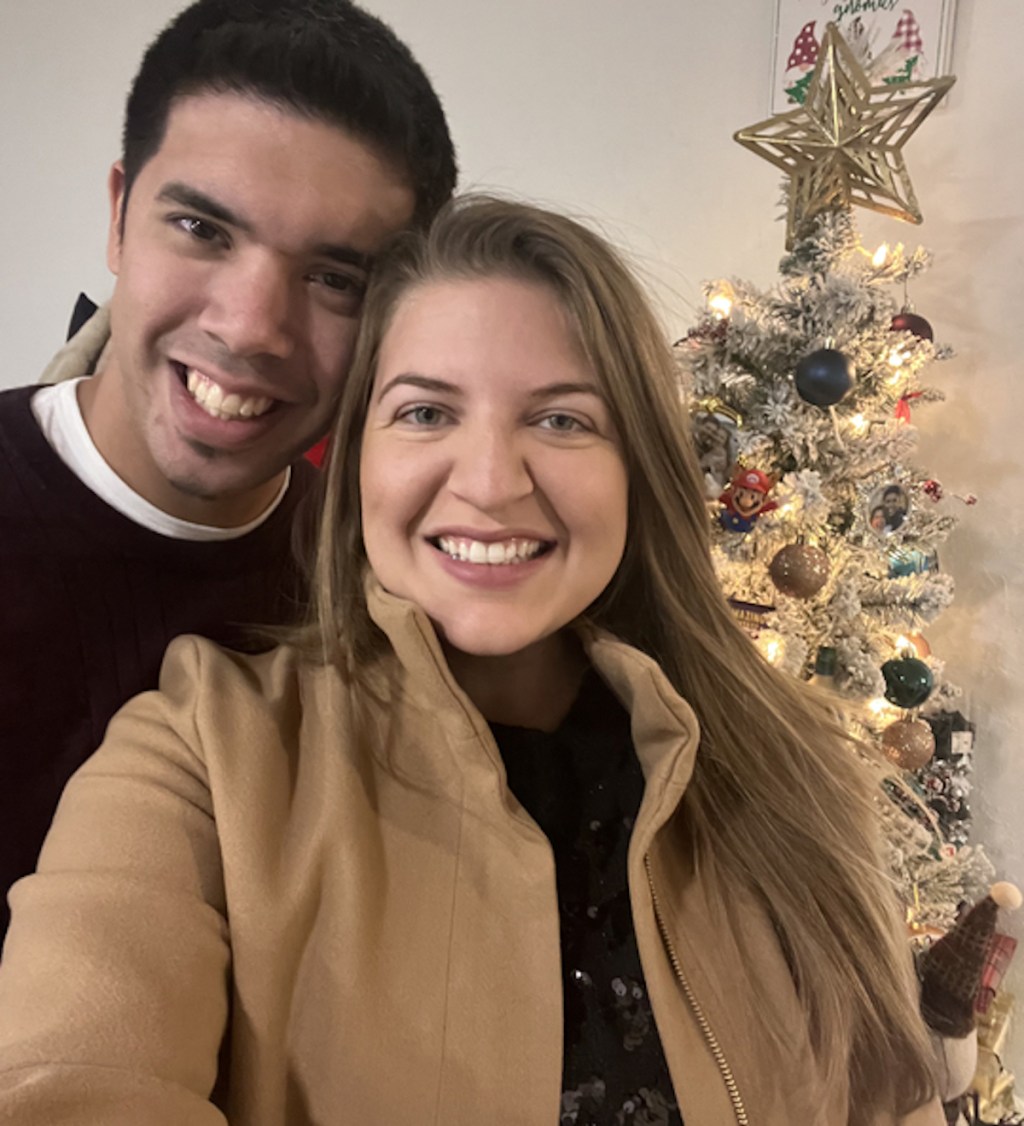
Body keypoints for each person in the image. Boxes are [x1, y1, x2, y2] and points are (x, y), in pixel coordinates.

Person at [0, 198, 941, 1125]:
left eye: (563, 421)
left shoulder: (799, 776)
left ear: (638, 467)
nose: (490, 482)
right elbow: (68, 1086)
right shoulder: (203, 752)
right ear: (356, 459)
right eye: (424, 412)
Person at [0, 0, 456, 939]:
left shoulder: (386, 588)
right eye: (203, 229)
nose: (251, 326)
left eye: (335, 277)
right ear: (120, 216)